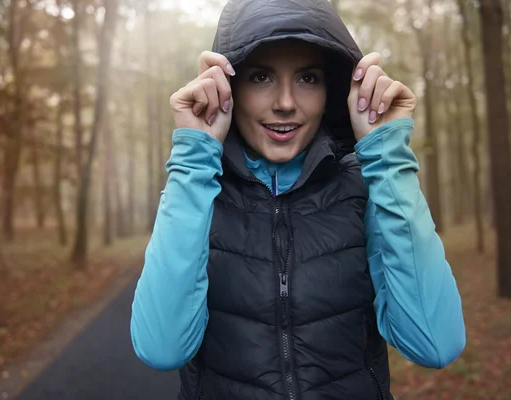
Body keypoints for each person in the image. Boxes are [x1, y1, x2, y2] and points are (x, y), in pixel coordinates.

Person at [130, 0, 466, 399]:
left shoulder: (367, 185)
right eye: (260, 77)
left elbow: (435, 344)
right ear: (228, 87)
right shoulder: (199, 190)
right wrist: (193, 158)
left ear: (333, 90)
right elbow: (161, 348)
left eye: (308, 78)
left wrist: (388, 157)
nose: (286, 102)